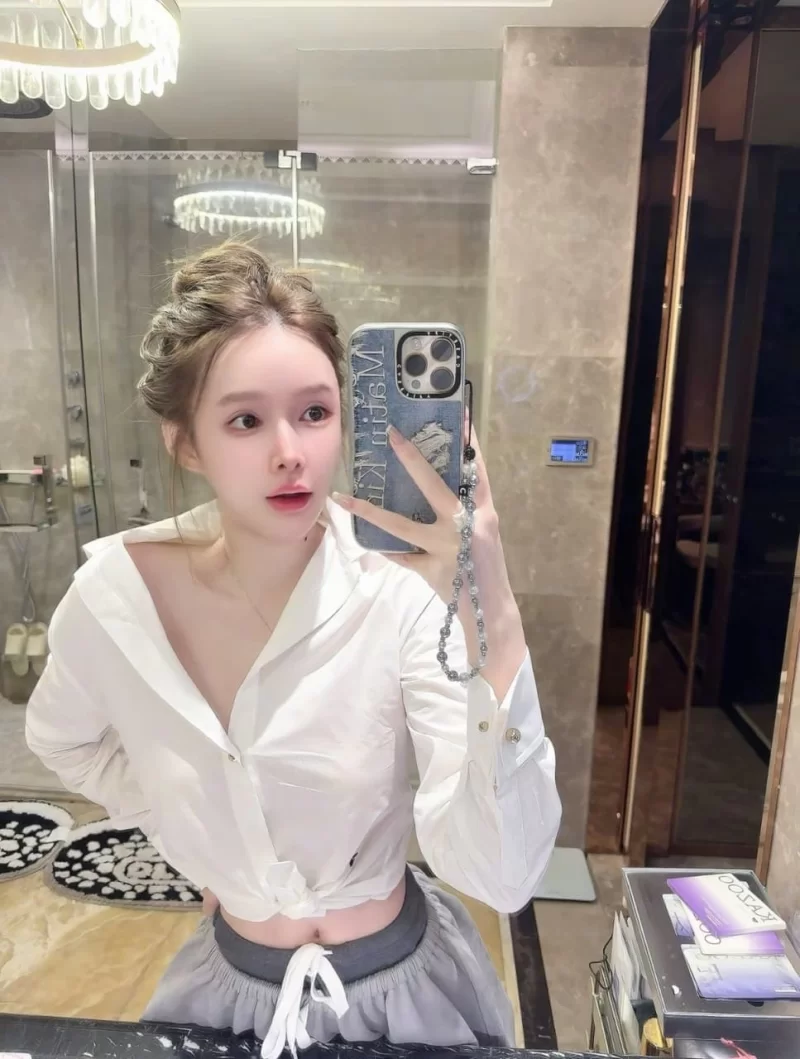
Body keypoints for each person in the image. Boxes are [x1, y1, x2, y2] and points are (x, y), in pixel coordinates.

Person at [26, 243, 561, 1059]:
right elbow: (63, 740)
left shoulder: (397, 587)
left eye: (315, 412)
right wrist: (203, 828)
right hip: (224, 997)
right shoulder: (114, 601)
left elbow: (503, 873)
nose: (291, 451)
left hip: (408, 998)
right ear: (186, 442)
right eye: (246, 420)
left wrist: (491, 603)